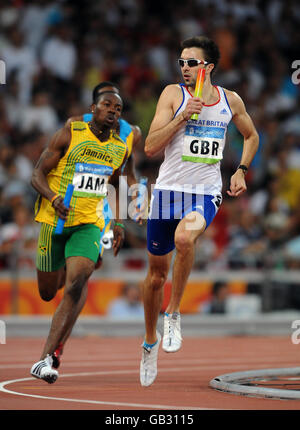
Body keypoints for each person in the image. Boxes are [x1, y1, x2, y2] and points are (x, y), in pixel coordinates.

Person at [140, 35, 259, 387]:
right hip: (166, 191)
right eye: (180, 62)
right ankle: (149, 342)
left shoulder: (230, 100)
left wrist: (241, 169)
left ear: (208, 67)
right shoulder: (172, 95)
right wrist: (181, 119)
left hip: (203, 191)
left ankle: (173, 312)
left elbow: (251, 136)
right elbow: (149, 147)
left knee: (185, 238)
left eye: (190, 62)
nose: (184, 68)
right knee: (155, 277)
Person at [30, 90, 128, 384]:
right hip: (53, 221)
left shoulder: (118, 148)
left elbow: (116, 184)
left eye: (118, 108)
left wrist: (118, 222)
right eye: (107, 105)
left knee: (77, 282)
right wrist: (53, 197)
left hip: (89, 223)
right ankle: (61, 267)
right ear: (93, 109)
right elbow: (37, 175)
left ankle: (44, 358)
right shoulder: (70, 134)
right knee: (48, 292)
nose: (113, 111)